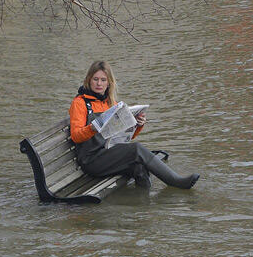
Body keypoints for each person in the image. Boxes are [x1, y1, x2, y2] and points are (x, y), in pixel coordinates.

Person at [69, 60, 199, 189]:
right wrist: (93, 128)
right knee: (136, 149)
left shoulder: (110, 103)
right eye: (95, 79)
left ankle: (144, 206)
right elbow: (76, 136)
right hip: (91, 160)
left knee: (139, 167)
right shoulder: (80, 103)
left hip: (109, 152)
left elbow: (123, 136)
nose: (99, 83)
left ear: (109, 82)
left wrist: (137, 125)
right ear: (89, 80)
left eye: (103, 80)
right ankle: (174, 181)